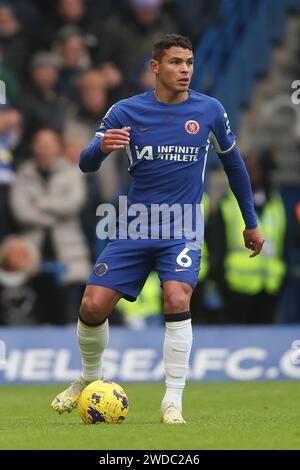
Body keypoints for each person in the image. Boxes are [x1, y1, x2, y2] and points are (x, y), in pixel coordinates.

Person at [51, 34, 264, 424]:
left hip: (182, 227)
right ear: (155, 67)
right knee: (91, 306)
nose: (184, 70)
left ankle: (172, 402)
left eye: (189, 63)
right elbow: (85, 163)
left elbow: (234, 167)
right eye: (175, 63)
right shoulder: (125, 111)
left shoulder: (210, 111)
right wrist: (101, 148)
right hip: (133, 225)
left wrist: (251, 222)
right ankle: (91, 380)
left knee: (177, 298)